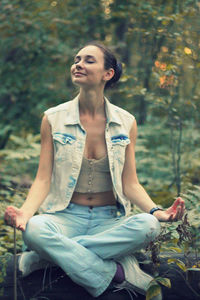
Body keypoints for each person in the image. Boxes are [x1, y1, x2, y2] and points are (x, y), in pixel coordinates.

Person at [4, 42, 185, 299]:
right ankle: (116, 274)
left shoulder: (126, 122)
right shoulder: (52, 119)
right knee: (35, 229)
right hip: (65, 217)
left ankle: (46, 258)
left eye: (89, 60)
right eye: (76, 59)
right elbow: (43, 178)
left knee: (149, 226)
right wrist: (25, 213)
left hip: (108, 220)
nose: (78, 64)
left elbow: (130, 183)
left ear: (107, 73)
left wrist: (158, 212)